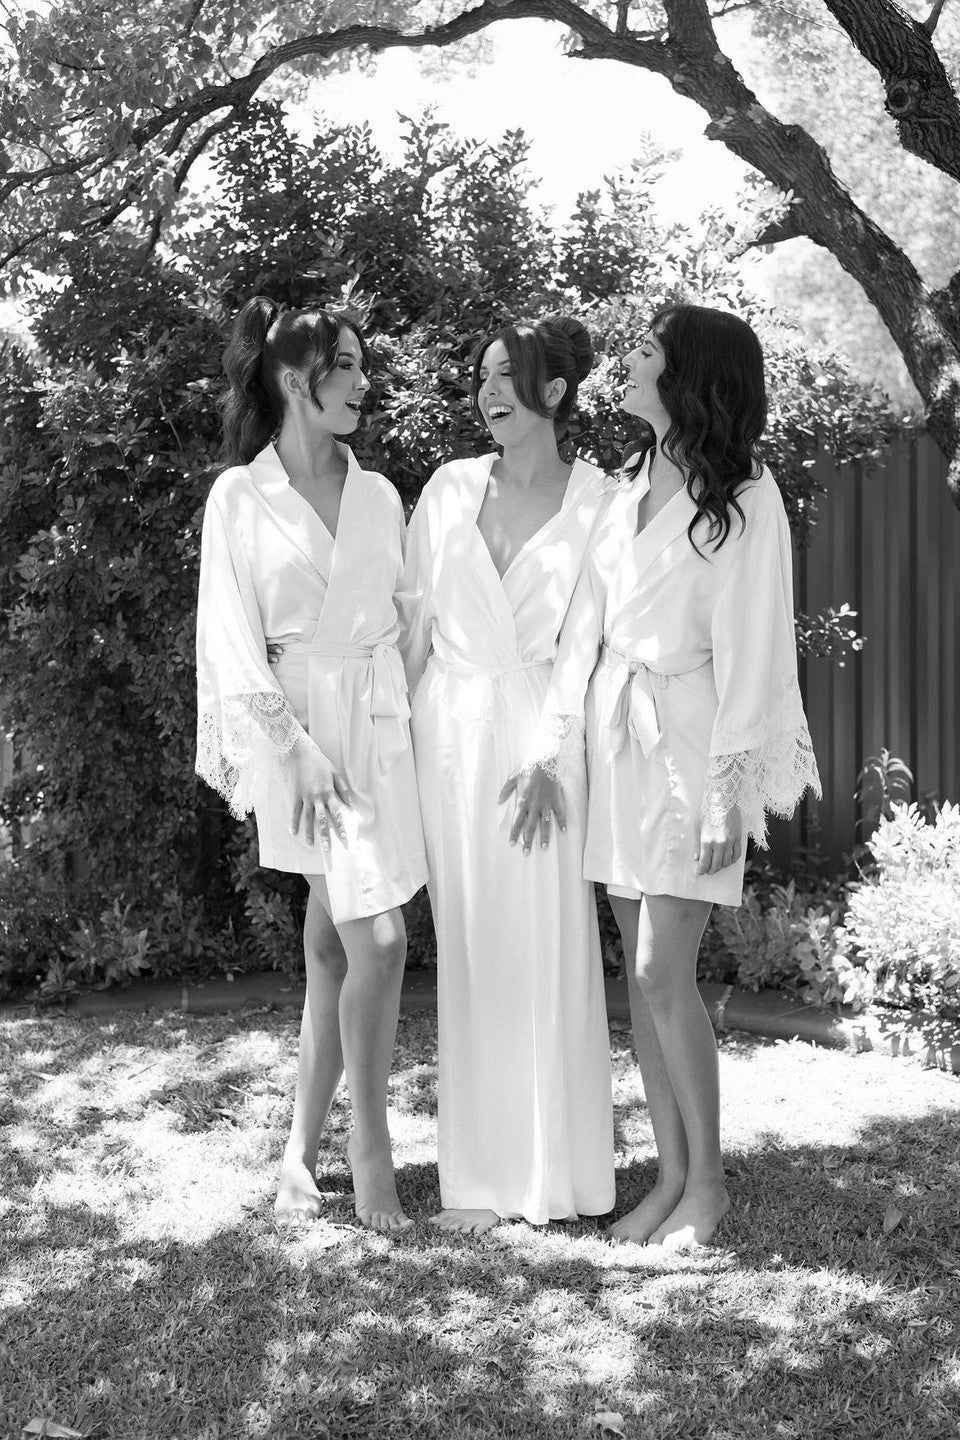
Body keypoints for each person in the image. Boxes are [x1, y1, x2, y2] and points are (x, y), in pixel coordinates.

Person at [512, 304, 821, 1249]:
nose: (628, 360)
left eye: (646, 350)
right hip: (619, 740)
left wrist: (730, 790)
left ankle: (710, 1188)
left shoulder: (746, 495)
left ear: (687, 376)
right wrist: (552, 745)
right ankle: (672, 1178)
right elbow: (585, 629)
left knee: (661, 970)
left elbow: (757, 650)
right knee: (643, 983)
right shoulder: (629, 483)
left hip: (690, 745)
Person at [195, 297, 427, 1234]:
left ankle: (299, 1151)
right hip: (298, 743)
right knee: (381, 943)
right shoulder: (238, 497)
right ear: (297, 380)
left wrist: (407, 724)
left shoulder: (379, 496)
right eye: (349, 367)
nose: (365, 383)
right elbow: (228, 638)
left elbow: (409, 621)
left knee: (334, 949)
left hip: (378, 733)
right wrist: (294, 750)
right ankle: (370, 1149)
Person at [398, 316, 616, 1233]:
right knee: (472, 946)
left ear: (554, 392)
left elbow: (586, 641)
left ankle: (560, 1177)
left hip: (542, 741)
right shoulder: (448, 488)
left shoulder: (600, 499)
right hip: (446, 738)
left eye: (505, 376)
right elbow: (410, 626)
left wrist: (548, 757)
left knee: (548, 943)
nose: (488, 392)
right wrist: (383, 744)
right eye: (481, 377)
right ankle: (479, 1180)